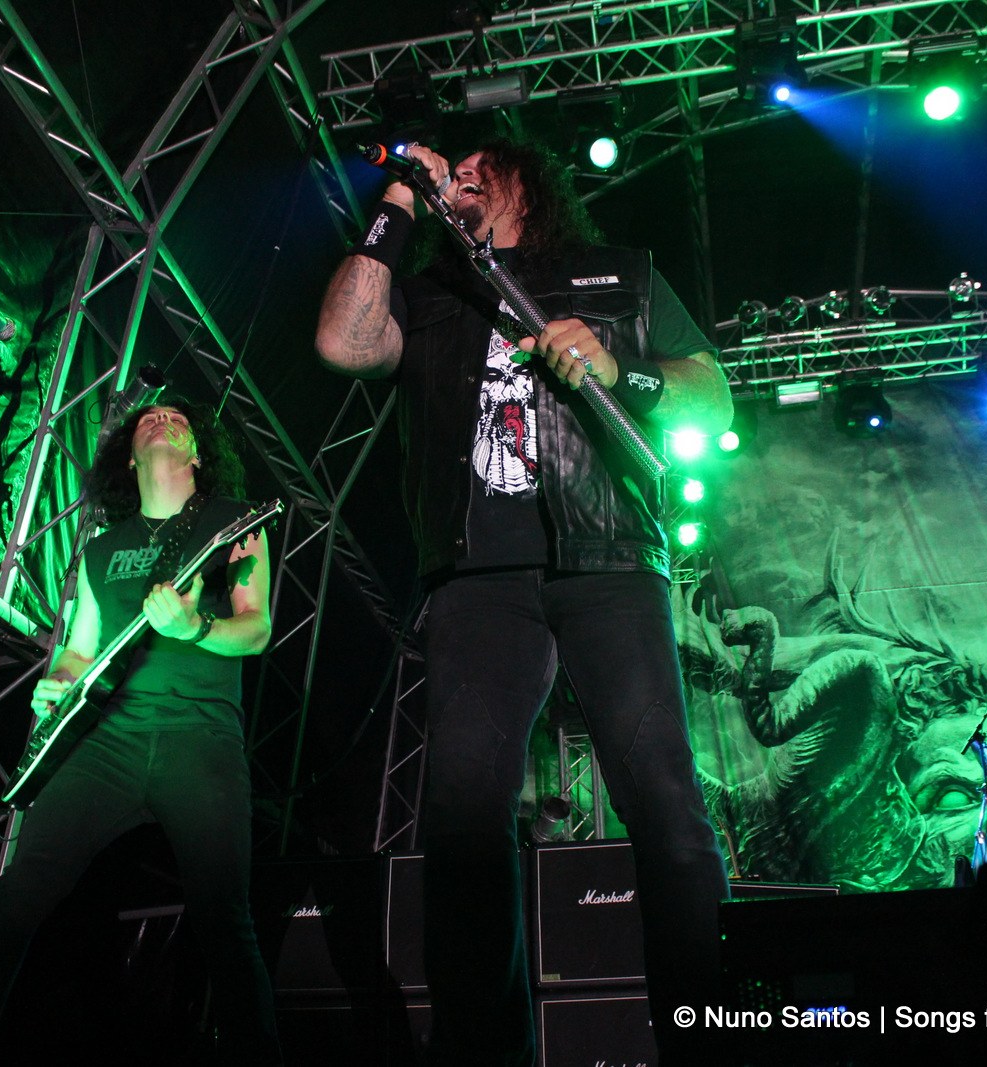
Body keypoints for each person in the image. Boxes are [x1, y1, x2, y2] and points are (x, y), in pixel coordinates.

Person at [316, 137, 732, 1066]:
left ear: (524, 182)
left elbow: (715, 402)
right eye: (449, 167)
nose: (458, 172)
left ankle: (713, 1036)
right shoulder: (430, 292)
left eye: (478, 164)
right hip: (477, 577)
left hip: (607, 557)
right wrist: (399, 201)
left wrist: (624, 369)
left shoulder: (619, 272)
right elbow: (344, 342)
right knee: (463, 821)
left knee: (663, 801)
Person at [0, 400, 282, 1066]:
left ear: (198, 454)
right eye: (147, 419)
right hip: (107, 744)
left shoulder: (235, 521)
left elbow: (256, 628)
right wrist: (57, 681)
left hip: (201, 740)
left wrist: (193, 627)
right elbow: (79, 648)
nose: (161, 419)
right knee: (17, 897)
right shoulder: (102, 547)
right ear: (128, 460)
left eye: (177, 418)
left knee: (225, 921)